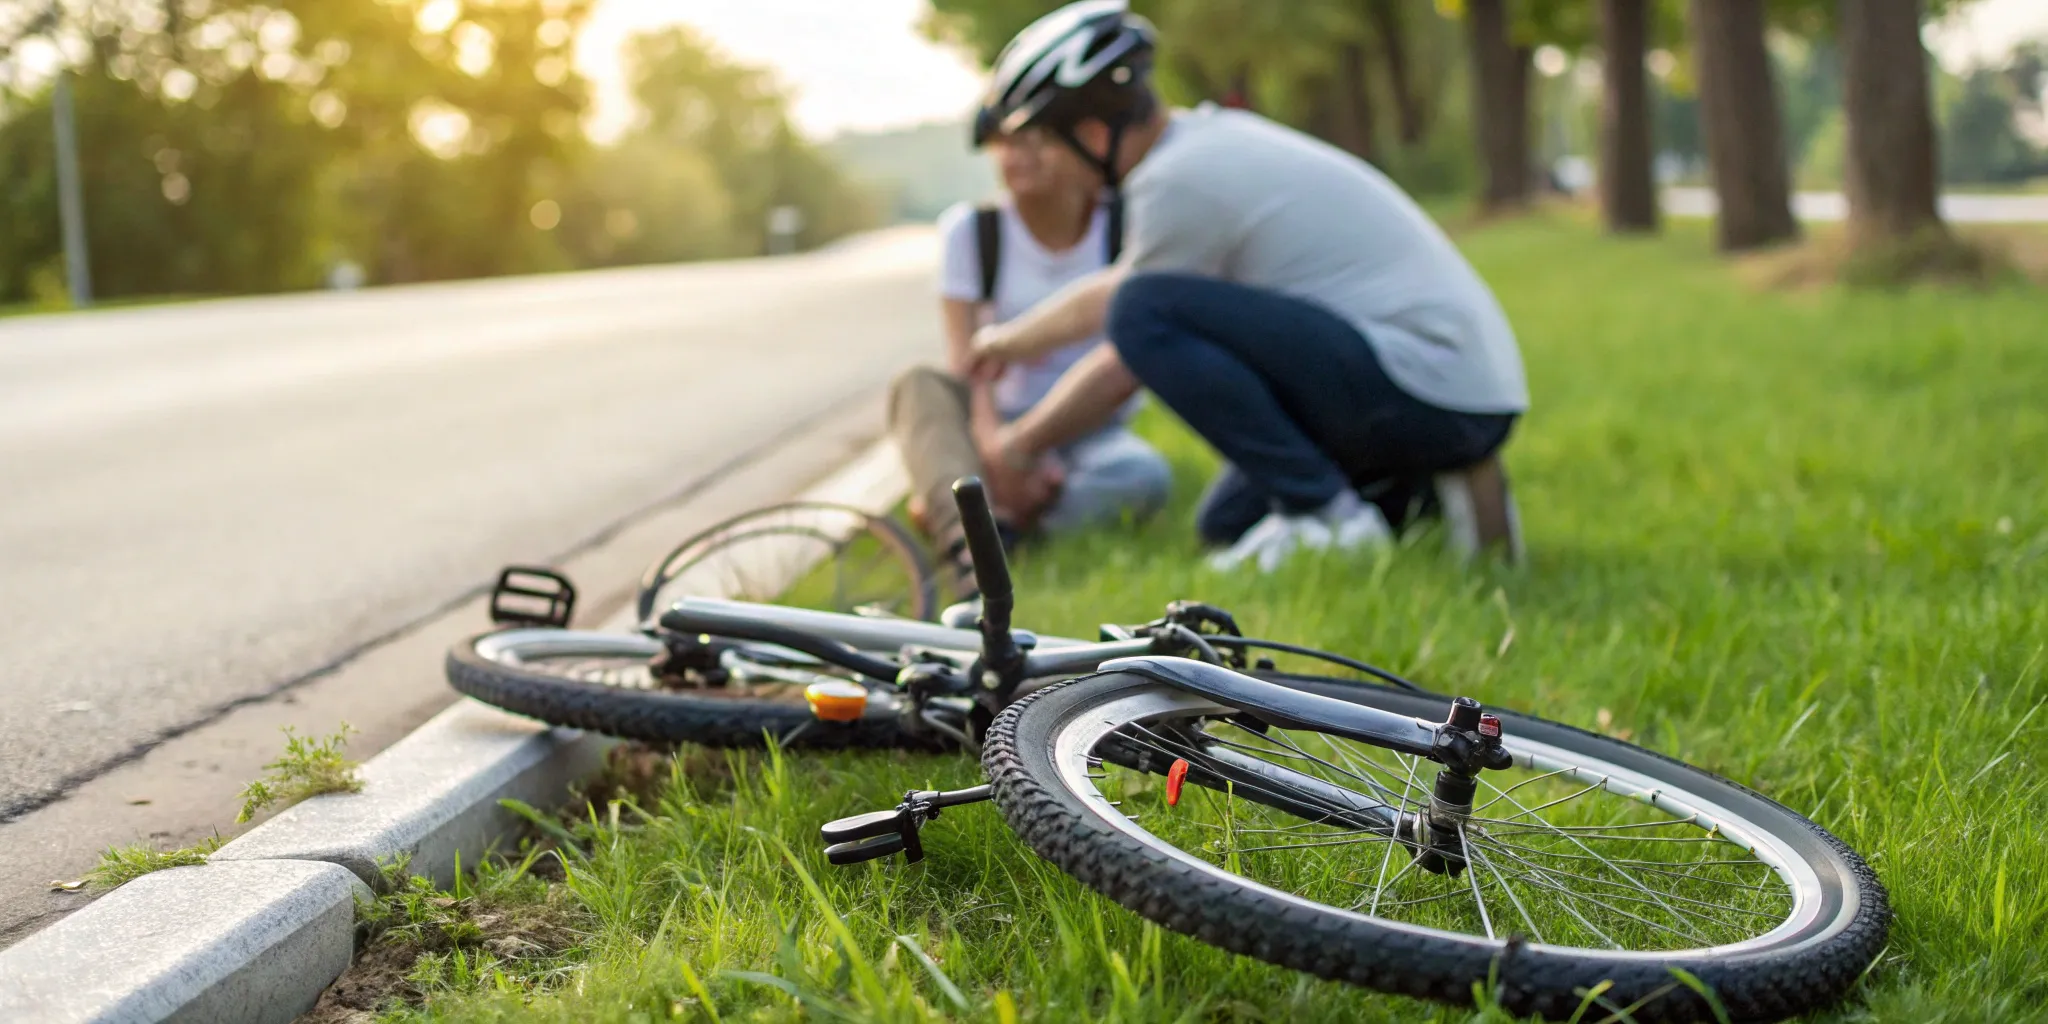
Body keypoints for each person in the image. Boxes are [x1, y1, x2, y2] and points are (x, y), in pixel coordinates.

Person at [965, 0, 1529, 574]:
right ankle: (1419, 497)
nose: (1048, 168)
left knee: (1143, 312)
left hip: (1430, 387)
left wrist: (1017, 448)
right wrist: (1008, 343)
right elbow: (1121, 287)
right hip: (1449, 387)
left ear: (1090, 132)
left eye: (1047, 146)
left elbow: (1128, 342)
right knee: (1226, 523)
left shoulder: (1174, 183)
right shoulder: (1200, 146)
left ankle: (1330, 516)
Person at [886, 107, 1172, 596]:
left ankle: (996, 524)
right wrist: (997, 451)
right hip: (994, 420)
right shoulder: (973, 231)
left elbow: (1124, 365)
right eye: (1007, 142)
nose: (1022, 156)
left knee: (1143, 475)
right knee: (918, 384)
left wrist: (1032, 450)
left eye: (1039, 139)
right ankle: (969, 557)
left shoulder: (1124, 225)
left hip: (1086, 426)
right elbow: (967, 362)